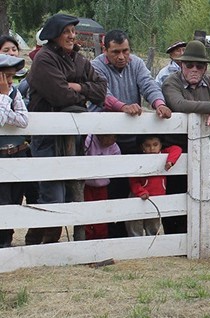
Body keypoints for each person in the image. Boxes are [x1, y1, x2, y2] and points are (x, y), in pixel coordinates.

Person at [25, 13, 107, 245]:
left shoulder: (79, 60)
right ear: (55, 35)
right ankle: (42, 244)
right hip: (48, 134)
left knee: (72, 190)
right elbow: (59, 95)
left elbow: (101, 89)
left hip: (74, 134)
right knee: (53, 193)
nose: (72, 36)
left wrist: (78, 86)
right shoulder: (44, 60)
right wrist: (81, 94)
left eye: (73, 31)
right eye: (67, 32)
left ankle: (43, 242)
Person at [91, 29, 173, 238]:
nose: (121, 56)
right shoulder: (96, 65)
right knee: (108, 188)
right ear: (105, 50)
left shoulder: (136, 63)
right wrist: (122, 106)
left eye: (125, 51)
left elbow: (148, 84)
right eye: (116, 52)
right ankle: (110, 235)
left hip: (131, 138)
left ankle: (128, 236)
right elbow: (103, 94)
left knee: (132, 186)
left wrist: (159, 103)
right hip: (105, 140)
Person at [161, 40, 210, 232]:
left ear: (205, 68)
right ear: (182, 65)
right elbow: (178, 103)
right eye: (190, 65)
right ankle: (175, 235)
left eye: (200, 65)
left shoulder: (209, 82)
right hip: (176, 146)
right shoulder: (171, 81)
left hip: (204, 143)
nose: (194, 69)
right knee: (177, 188)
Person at [126, 135, 182, 236]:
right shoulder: (139, 160)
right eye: (147, 145)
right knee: (135, 225)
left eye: (155, 145)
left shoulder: (163, 155)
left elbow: (177, 149)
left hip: (157, 198)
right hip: (139, 197)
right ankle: (136, 247)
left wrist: (170, 161)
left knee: (154, 226)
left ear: (161, 145)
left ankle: (154, 248)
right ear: (142, 147)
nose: (152, 148)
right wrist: (140, 192)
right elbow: (133, 181)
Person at [0, 54, 29, 248]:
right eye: (6, 76)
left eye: (11, 77)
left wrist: (5, 101)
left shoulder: (14, 93)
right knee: (2, 200)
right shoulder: (7, 94)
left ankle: (7, 241)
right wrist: (3, 97)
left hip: (16, 153)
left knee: (15, 199)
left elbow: (23, 120)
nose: (10, 81)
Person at [83, 134, 121, 240]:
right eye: (106, 137)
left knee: (102, 212)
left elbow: (117, 165)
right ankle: (88, 236)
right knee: (86, 211)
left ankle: (101, 237)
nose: (109, 140)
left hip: (102, 186)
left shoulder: (114, 148)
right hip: (86, 185)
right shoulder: (88, 141)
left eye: (113, 137)